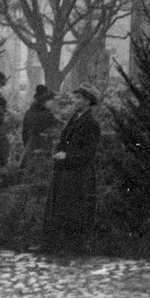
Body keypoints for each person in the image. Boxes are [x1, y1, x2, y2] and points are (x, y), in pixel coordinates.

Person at [41, 85, 101, 254]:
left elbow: (89, 152)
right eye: (75, 98)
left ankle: (71, 247)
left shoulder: (91, 123)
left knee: (74, 210)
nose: (75, 101)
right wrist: (58, 151)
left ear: (88, 102)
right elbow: (64, 140)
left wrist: (67, 156)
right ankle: (52, 246)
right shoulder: (74, 118)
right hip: (64, 172)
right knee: (58, 208)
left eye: (79, 98)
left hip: (78, 174)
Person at [19, 85, 61, 173]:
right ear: (45, 101)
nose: (52, 103)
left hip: (29, 148)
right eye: (51, 100)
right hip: (43, 148)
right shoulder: (47, 115)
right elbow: (59, 127)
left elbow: (24, 133)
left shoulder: (29, 112)